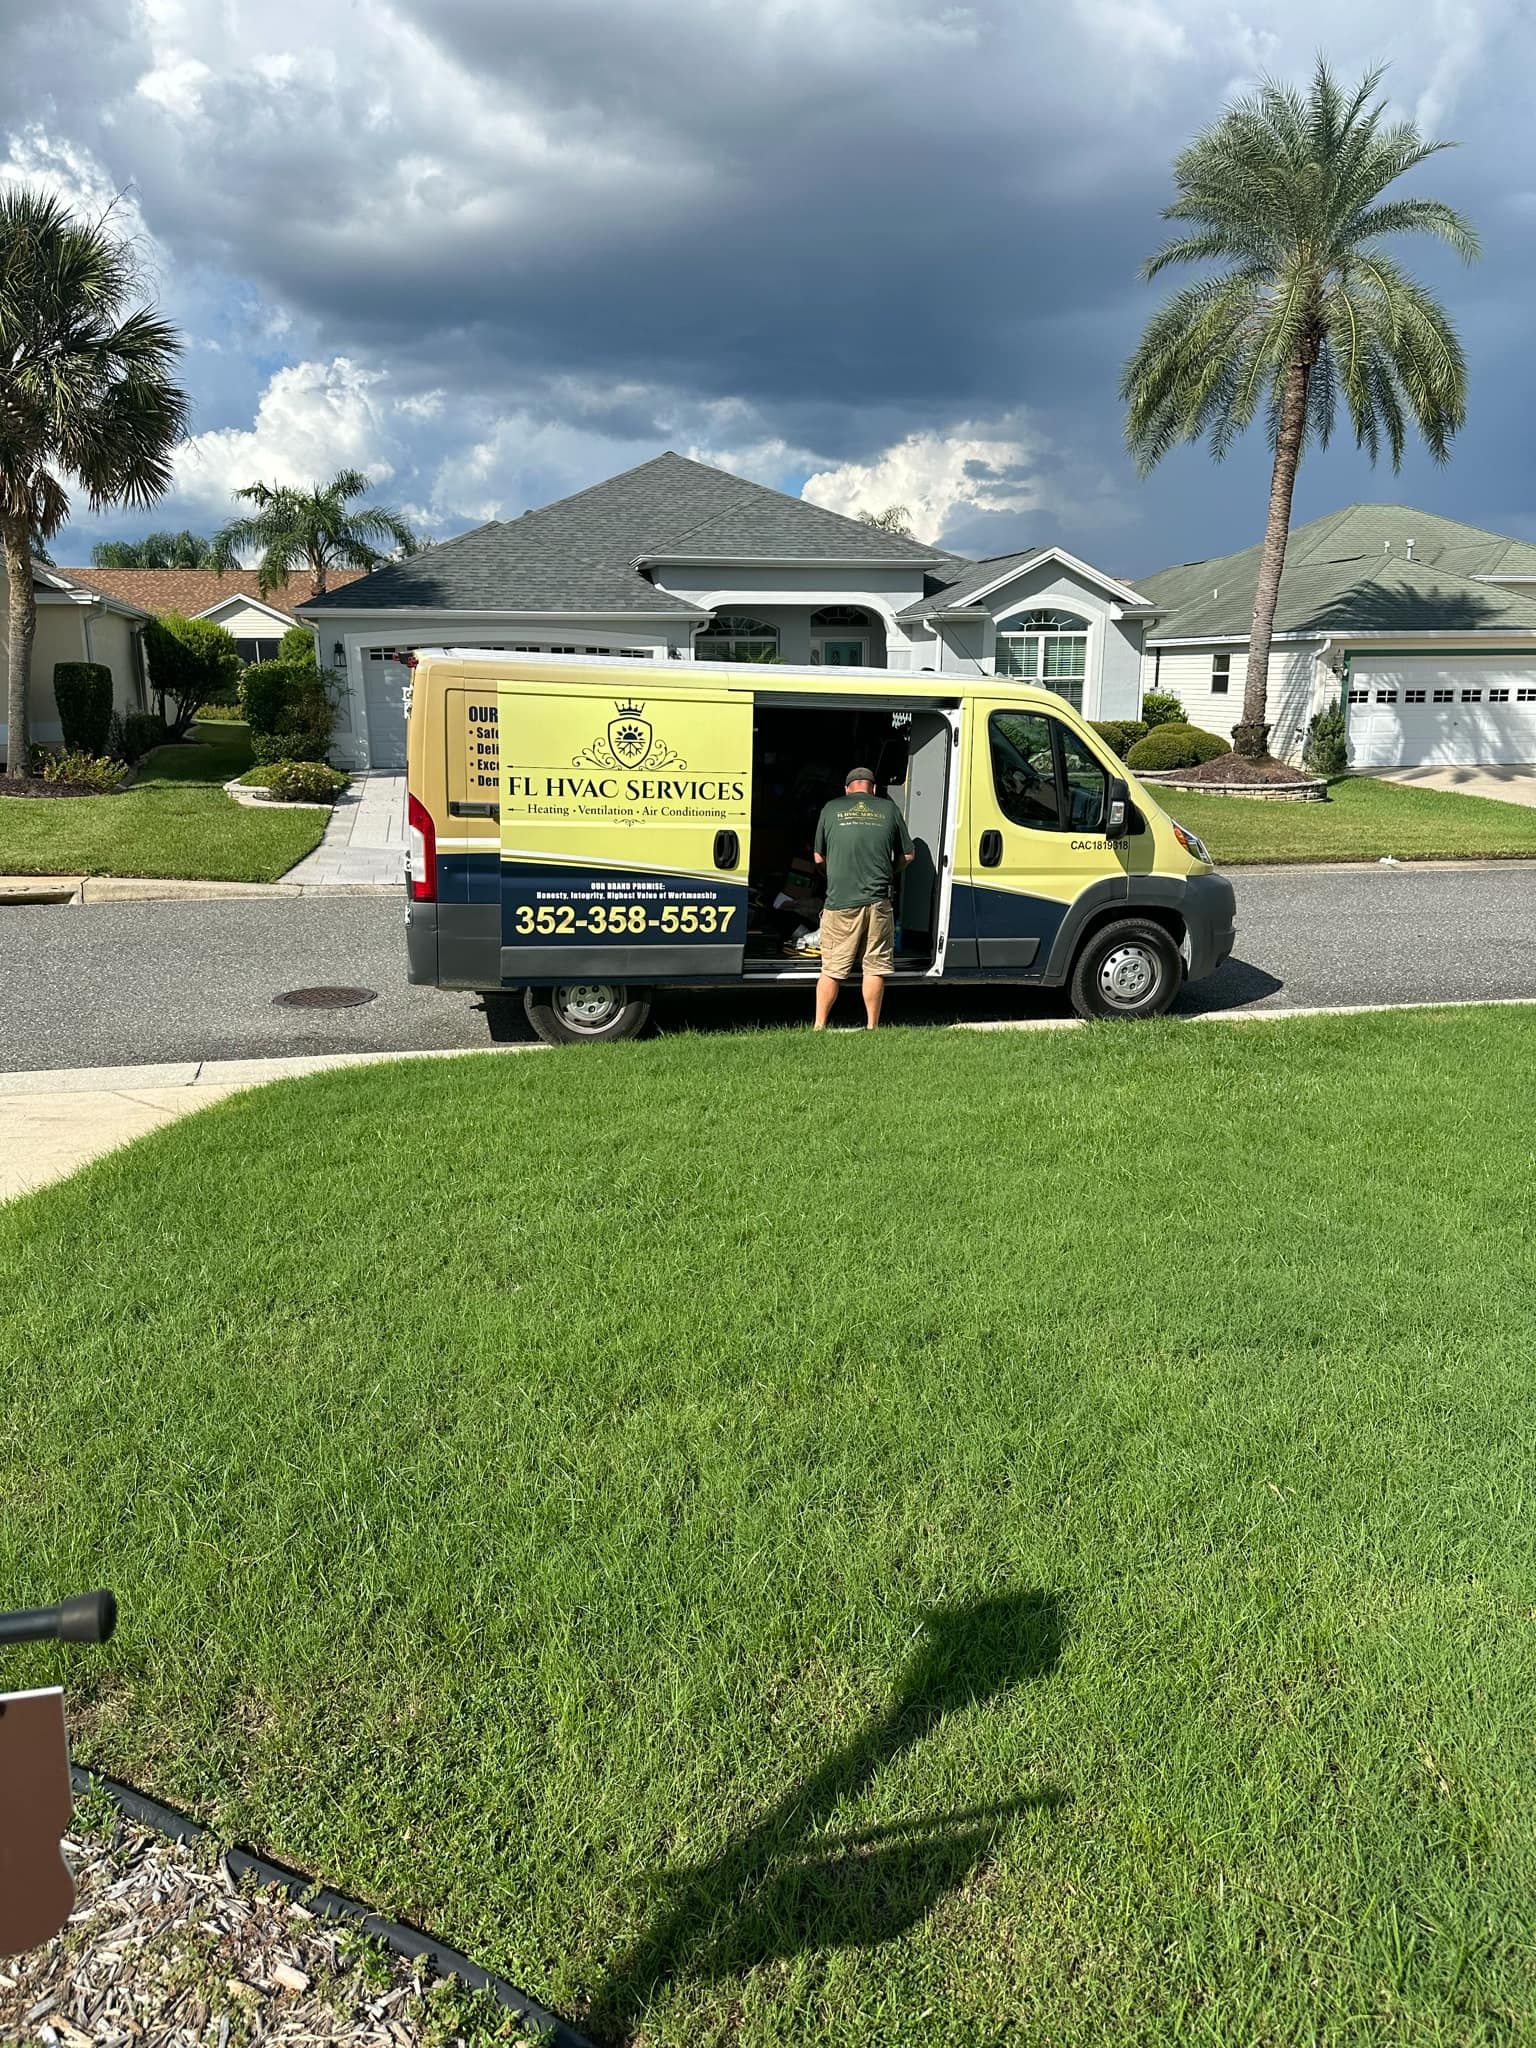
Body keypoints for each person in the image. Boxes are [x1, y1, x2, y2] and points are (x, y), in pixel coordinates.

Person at [812, 766, 915, 1030]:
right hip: (878, 902)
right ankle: (872, 1026)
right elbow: (908, 855)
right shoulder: (889, 809)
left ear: (847, 789)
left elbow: (818, 857)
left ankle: (819, 1025)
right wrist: (888, 872)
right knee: (875, 966)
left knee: (832, 968)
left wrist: (833, 874)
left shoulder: (831, 808)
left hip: (840, 902)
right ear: (874, 789)